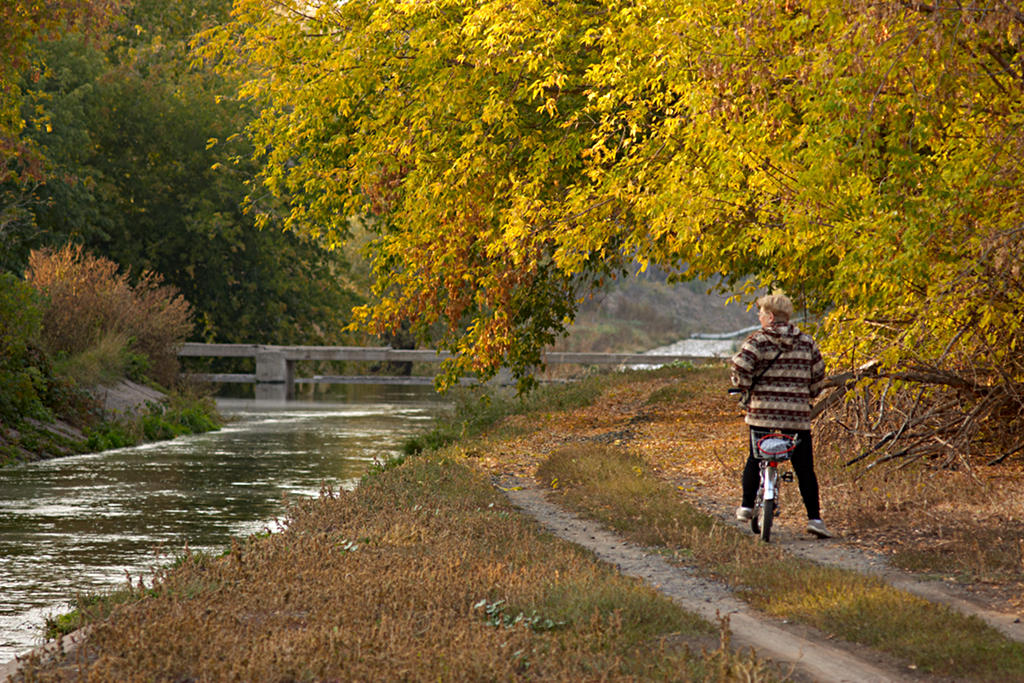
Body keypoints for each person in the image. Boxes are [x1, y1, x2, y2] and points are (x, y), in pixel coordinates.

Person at [730, 293, 832, 538]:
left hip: (762, 415)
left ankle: (746, 506)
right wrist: (806, 395)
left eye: (761, 314)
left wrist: (744, 386)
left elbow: (740, 368)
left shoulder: (757, 341)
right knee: (805, 468)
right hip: (796, 417)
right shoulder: (807, 343)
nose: (759, 317)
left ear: (771, 316)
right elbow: (819, 377)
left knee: (755, 457)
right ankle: (814, 519)